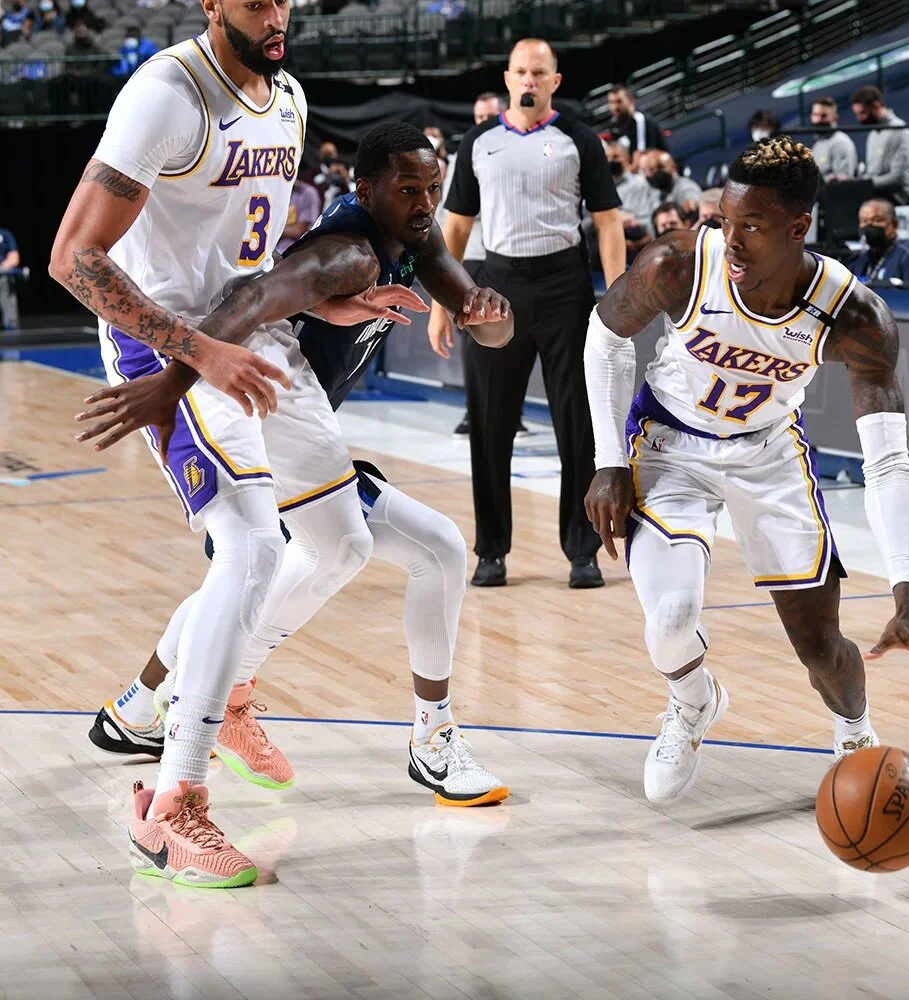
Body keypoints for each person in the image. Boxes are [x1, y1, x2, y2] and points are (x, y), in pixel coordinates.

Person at [78, 122, 514, 809]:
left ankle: (137, 710)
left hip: (301, 421)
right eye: (410, 189)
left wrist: (488, 310)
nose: (426, 201)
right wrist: (171, 385)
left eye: (433, 187)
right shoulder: (347, 253)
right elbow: (251, 301)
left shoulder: (416, 236)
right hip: (257, 410)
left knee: (293, 564)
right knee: (292, 557)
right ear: (366, 191)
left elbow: (491, 328)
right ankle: (237, 708)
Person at [49, 0, 354, 890]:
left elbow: (247, 251)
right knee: (253, 546)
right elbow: (75, 257)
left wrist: (323, 298)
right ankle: (172, 801)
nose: (277, 13)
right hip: (170, 345)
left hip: (249, 333)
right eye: (257, 0)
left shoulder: (289, 95)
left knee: (342, 541)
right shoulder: (168, 94)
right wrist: (198, 352)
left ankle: (223, 687)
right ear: (212, 3)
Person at [583, 136, 909, 805]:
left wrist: (908, 591)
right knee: (671, 616)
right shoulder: (679, 264)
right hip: (671, 444)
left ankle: (855, 736)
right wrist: (609, 461)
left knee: (821, 648)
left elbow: (887, 460)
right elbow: (605, 335)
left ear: (798, 227)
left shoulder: (854, 315)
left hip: (770, 453)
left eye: (751, 226)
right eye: (725, 220)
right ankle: (693, 701)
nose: (732, 240)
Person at [429, 38, 626, 589]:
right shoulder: (479, 141)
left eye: (539, 72)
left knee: (578, 426)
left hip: (565, 287)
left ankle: (583, 551)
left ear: (554, 82)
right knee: (490, 425)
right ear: (508, 78)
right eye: (521, 71)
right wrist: (444, 303)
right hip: (496, 287)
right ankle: (491, 551)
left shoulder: (579, 139)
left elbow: (608, 221)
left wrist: (617, 297)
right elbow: (456, 227)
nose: (529, 80)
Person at [437, 90, 529, 439]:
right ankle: (474, 412)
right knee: (476, 337)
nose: (482, 124)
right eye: (478, 117)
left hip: (516, 257)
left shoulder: (525, 152)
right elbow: (452, 217)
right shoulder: (468, 153)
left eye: (488, 117)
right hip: (475, 255)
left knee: (515, 339)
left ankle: (513, 413)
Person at [849, 198, 909, 289]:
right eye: (864, 221)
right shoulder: (860, 259)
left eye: (877, 220)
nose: (869, 225)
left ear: (894, 224)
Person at [850, 85, 909, 204]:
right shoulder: (873, 134)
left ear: (876, 106)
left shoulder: (899, 131)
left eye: (863, 113)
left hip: (894, 195)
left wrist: (864, 185)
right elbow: (870, 173)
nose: (859, 119)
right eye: (857, 114)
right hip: (873, 191)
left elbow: (899, 178)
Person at [606, 83, 668, 162]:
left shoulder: (640, 120)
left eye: (619, 101)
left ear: (631, 101)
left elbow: (641, 156)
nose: (615, 107)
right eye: (611, 102)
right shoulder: (614, 123)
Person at [809, 96, 857, 182]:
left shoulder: (840, 142)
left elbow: (842, 182)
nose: (818, 119)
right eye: (815, 115)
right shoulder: (817, 145)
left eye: (824, 116)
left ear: (835, 117)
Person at [276, 168, 321, 253]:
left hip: (294, 249)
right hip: (272, 248)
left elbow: (300, 230)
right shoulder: (276, 192)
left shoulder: (308, 193)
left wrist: (273, 233)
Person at [636, 149, 701, 206]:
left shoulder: (684, 187)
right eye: (642, 170)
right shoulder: (657, 194)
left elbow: (691, 206)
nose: (646, 175)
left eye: (651, 169)